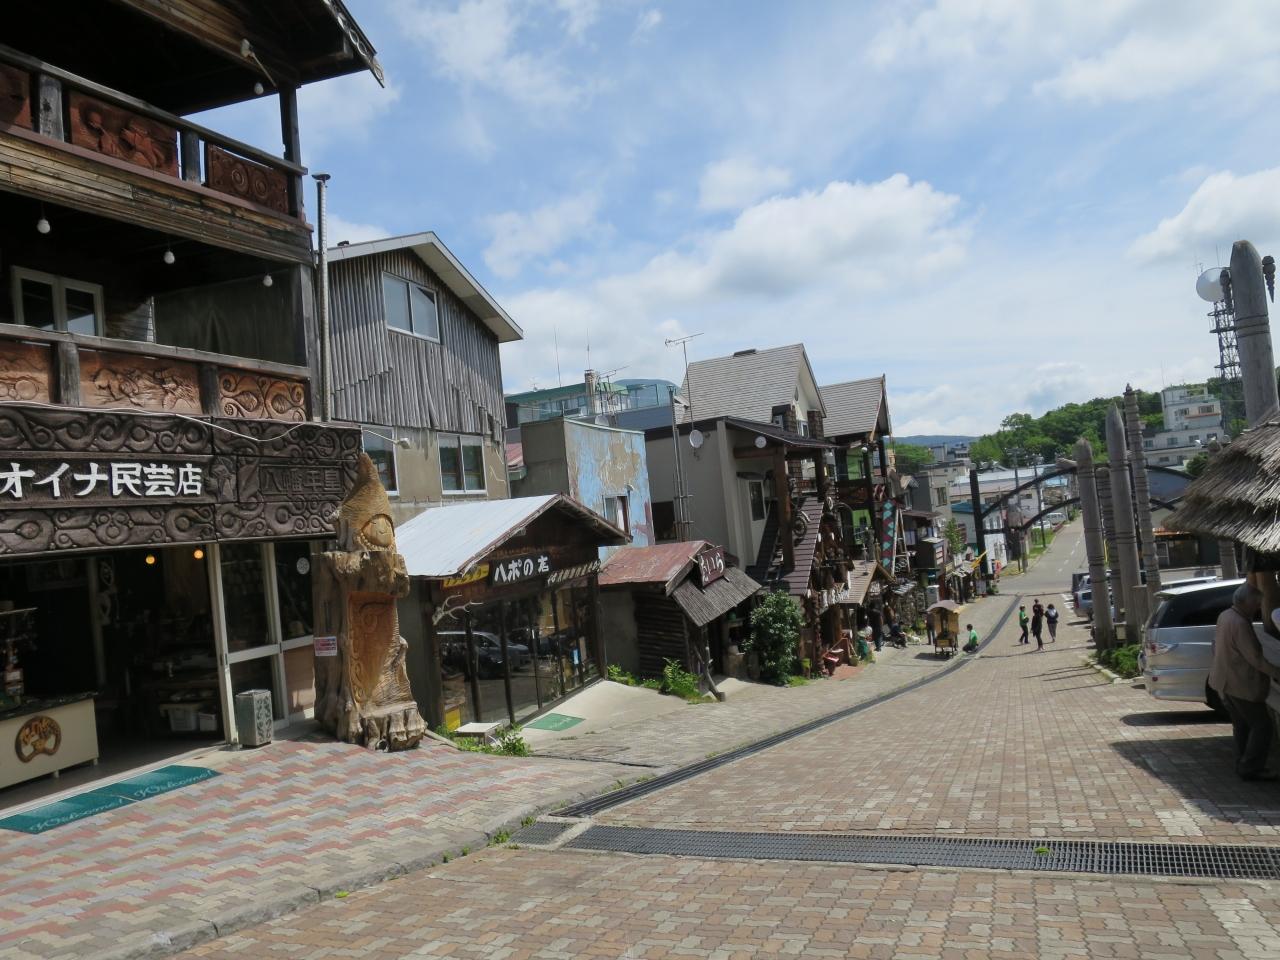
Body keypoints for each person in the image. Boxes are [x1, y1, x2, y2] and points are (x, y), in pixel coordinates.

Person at [1208, 584, 1280, 781]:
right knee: (1262, 726)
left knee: (1242, 724)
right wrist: (1276, 672)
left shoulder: (1225, 616)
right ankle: (1251, 767)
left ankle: (1243, 763)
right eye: (1256, 604)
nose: (1258, 608)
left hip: (1225, 681)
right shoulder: (1239, 623)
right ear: (1246, 602)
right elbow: (1255, 658)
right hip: (1240, 682)